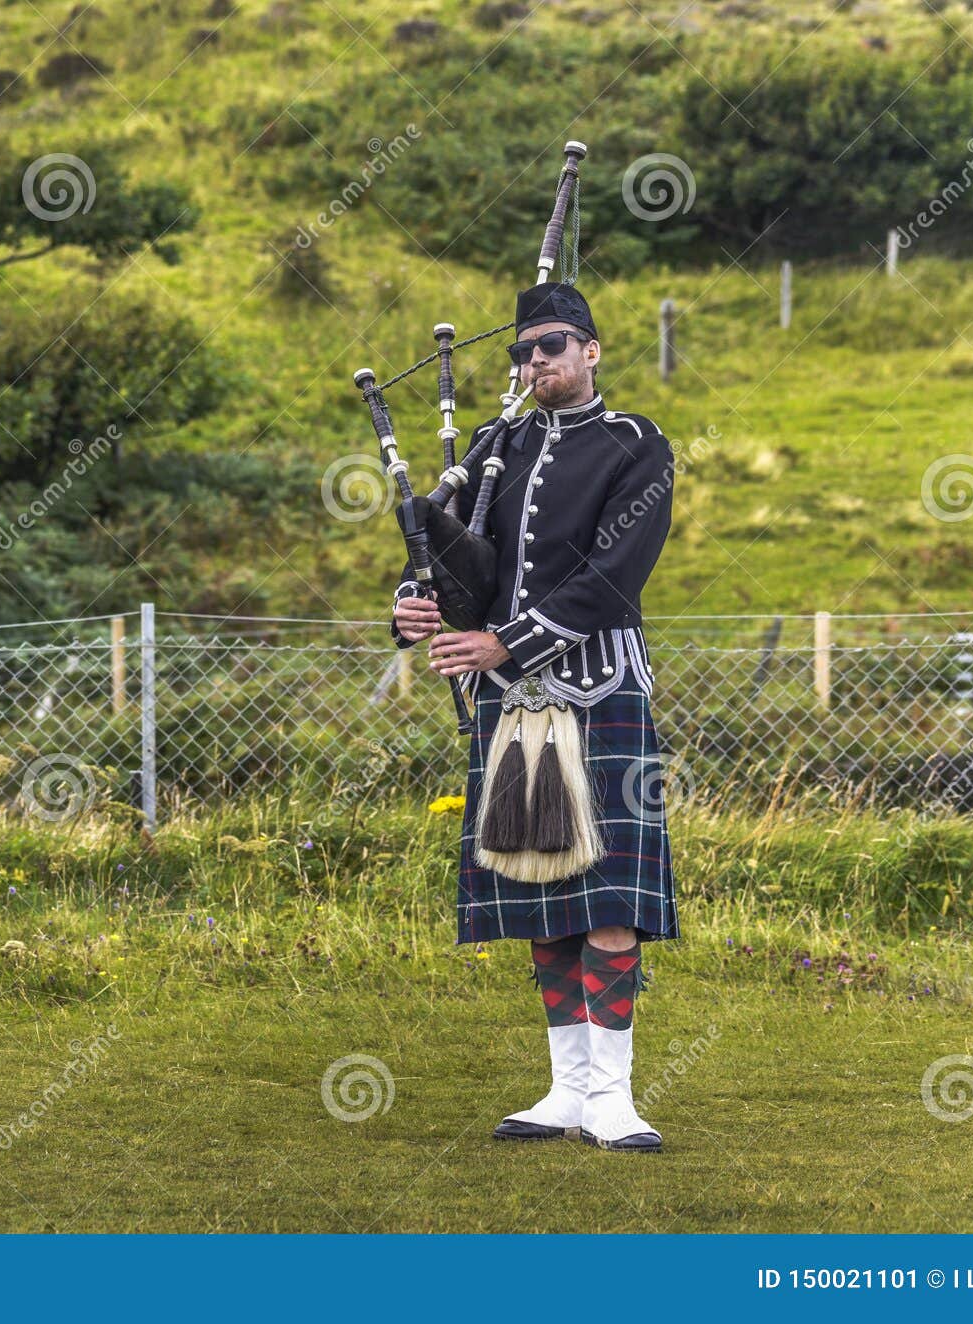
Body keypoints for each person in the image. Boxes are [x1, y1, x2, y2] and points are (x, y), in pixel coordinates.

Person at [390, 281, 679, 1152]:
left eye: (551, 345)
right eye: (522, 351)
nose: (535, 362)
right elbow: (453, 558)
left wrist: (504, 644)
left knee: (609, 899)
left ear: (592, 350)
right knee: (538, 891)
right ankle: (566, 1090)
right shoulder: (493, 445)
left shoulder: (637, 446)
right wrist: (413, 603)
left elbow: (612, 575)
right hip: (508, 702)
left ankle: (615, 1098)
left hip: (598, 688)